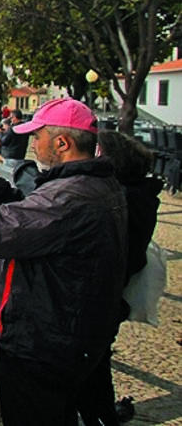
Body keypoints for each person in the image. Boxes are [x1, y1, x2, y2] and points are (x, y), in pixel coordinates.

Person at [0, 97, 128, 426]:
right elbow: (33, 225)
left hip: (42, 348)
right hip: (67, 339)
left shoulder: (69, 197)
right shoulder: (93, 187)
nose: (33, 145)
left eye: (38, 136)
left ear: (62, 142)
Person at [75, 130, 162, 426]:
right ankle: (103, 415)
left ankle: (101, 417)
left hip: (99, 301)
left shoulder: (121, 201)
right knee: (96, 370)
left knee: (91, 373)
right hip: (110, 300)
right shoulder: (140, 195)